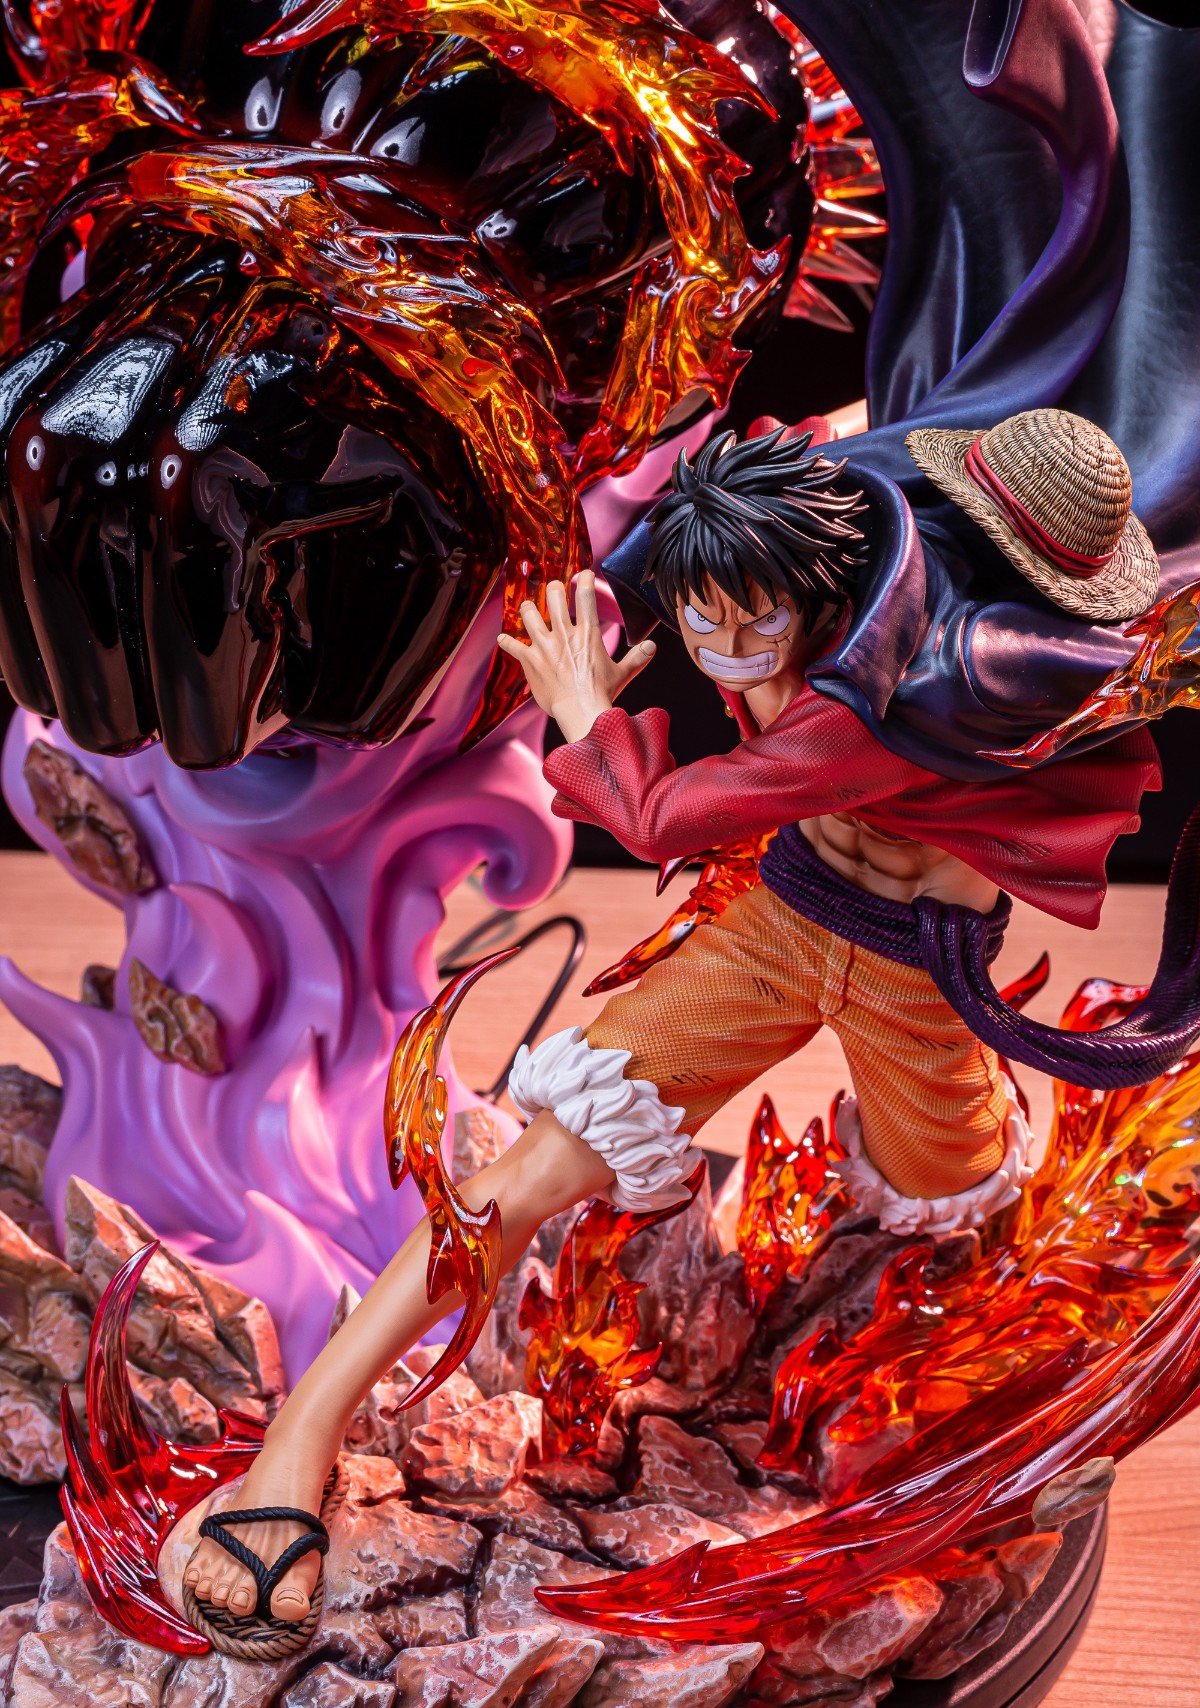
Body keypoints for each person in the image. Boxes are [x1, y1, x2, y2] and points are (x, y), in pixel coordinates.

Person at [181, 412, 1176, 1638]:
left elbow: (661, 816)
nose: (726, 653)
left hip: (915, 977)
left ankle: (976, 1442)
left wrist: (583, 706)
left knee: (966, 1235)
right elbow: (795, 458)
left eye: (753, 624)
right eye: (707, 619)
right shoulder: (845, 538)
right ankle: (300, 1436)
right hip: (779, 924)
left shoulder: (940, 687)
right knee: (526, 1174)